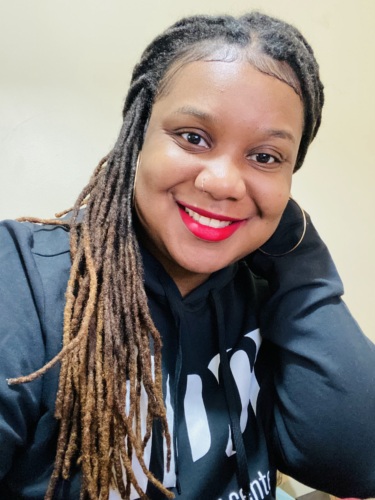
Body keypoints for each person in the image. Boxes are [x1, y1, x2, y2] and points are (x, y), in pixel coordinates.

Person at [0, 11, 374, 500]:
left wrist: (298, 249)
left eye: (265, 157)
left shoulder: (271, 288)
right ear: (138, 136)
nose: (222, 182)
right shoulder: (24, 278)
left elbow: (360, 464)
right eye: (193, 137)